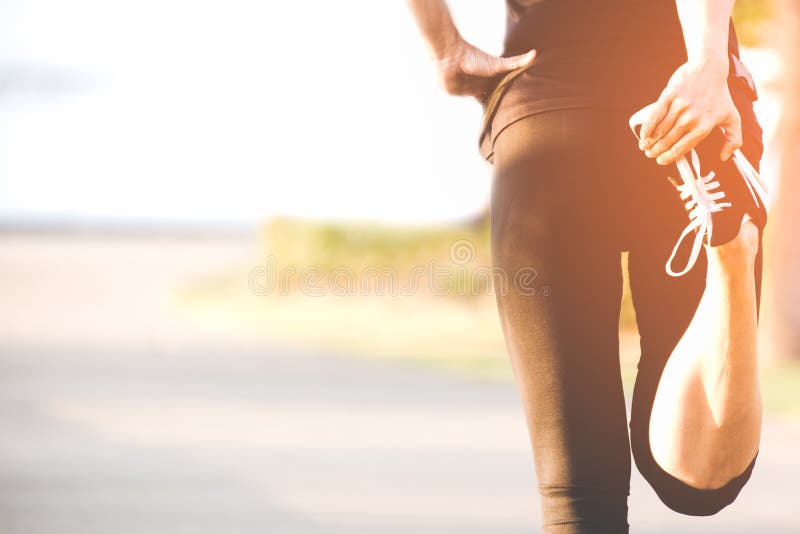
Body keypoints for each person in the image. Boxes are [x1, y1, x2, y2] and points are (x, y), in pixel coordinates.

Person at [406, 1, 767, 532]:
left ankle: (728, 256)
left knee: (579, 497)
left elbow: (448, 51)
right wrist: (708, 65)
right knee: (696, 484)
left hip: (547, 107)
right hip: (688, 115)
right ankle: (729, 261)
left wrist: (446, 47)